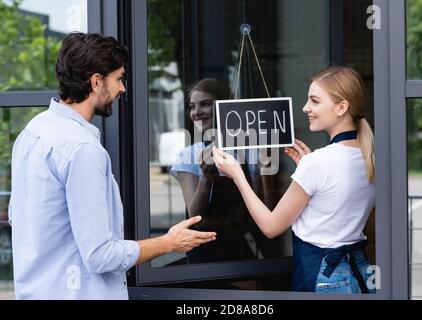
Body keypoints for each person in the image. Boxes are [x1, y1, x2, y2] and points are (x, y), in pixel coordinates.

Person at [8, 33, 216, 300]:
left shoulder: (32, 132)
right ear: (96, 82)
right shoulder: (82, 150)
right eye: (118, 78)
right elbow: (100, 256)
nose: (122, 89)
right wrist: (168, 243)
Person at [213, 66, 375, 293]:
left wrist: (237, 175)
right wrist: (308, 168)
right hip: (360, 274)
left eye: (315, 101)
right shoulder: (370, 155)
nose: (305, 108)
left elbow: (270, 227)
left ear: (342, 107)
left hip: (324, 277)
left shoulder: (318, 163)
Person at [170, 78, 272, 263]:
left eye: (205, 104)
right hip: (205, 257)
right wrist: (206, 179)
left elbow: (268, 209)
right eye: (192, 106)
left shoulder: (251, 150)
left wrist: (266, 168)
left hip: (246, 254)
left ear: (224, 107)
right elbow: (194, 217)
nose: (196, 112)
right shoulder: (188, 156)